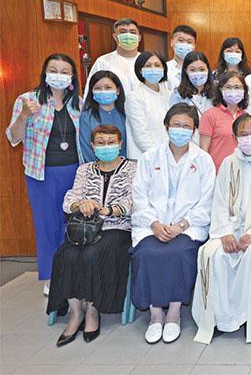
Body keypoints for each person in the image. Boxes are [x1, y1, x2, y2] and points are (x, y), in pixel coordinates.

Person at [192, 114, 251, 344]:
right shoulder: (228, 163)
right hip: (229, 228)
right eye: (243, 135)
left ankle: (249, 321)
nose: (249, 138)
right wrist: (225, 232)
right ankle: (215, 319)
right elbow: (219, 200)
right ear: (235, 138)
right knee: (210, 254)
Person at [131, 103, 215, 345]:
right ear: (166, 126)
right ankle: (156, 314)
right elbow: (139, 195)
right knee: (147, 253)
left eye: (186, 126)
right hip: (151, 225)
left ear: (194, 130)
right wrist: (154, 224)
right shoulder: (149, 157)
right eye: (176, 124)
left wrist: (181, 225)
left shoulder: (204, 160)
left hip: (188, 227)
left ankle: (174, 314)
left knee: (179, 253)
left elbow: (207, 200)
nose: (181, 129)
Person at [49, 125, 136, 347]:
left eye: (111, 142)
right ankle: (75, 312)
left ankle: (93, 311)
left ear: (120, 144)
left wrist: (110, 210)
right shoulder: (84, 170)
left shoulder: (133, 168)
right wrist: (81, 204)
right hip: (85, 228)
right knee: (65, 255)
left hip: (118, 228)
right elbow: (70, 199)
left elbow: (135, 200)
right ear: (92, 146)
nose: (106, 146)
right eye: (101, 142)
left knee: (93, 254)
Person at [6, 53, 82, 294]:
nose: (59, 75)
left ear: (72, 77)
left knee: (71, 224)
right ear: (45, 73)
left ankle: (72, 273)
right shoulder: (27, 100)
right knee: (47, 225)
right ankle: (52, 276)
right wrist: (23, 116)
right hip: (41, 174)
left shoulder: (78, 103)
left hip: (75, 172)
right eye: (53, 70)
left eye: (64, 71)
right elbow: (13, 138)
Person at [124, 52, 171, 160]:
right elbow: (140, 134)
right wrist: (159, 156)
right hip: (145, 157)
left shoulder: (168, 95)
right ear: (140, 70)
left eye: (157, 65)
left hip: (168, 155)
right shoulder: (134, 97)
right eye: (148, 66)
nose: (153, 69)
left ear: (163, 69)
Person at [199, 71, 248, 172]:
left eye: (237, 87)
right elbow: (203, 151)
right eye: (228, 87)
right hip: (216, 172)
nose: (233, 90)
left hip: (241, 172)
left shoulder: (246, 117)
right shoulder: (210, 114)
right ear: (221, 90)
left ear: (244, 91)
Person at [79, 70, 127, 162]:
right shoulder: (86, 117)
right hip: (95, 167)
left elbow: (128, 146)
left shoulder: (126, 115)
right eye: (97, 88)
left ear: (118, 90)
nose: (103, 91)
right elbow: (86, 148)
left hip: (124, 167)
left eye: (108, 87)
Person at [170, 51, 215, 146]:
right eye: (192, 70)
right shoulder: (178, 95)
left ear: (208, 69)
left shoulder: (216, 95)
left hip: (214, 145)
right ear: (186, 71)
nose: (198, 73)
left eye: (202, 69)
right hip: (187, 146)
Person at [85, 18, 140, 94]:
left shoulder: (147, 62)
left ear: (139, 38)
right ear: (115, 37)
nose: (128, 36)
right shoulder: (103, 62)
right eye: (123, 32)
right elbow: (90, 90)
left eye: (132, 32)